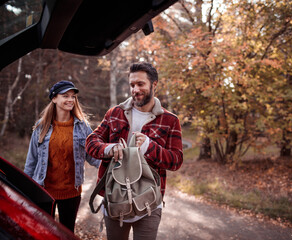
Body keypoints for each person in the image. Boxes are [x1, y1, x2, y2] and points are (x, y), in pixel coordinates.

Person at [85, 62, 183, 240]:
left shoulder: (170, 120)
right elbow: (91, 142)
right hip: (115, 200)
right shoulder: (114, 113)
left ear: (154, 85)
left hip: (150, 204)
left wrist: (149, 147)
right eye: (132, 85)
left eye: (140, 84)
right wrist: (108, 148)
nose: (135, 89)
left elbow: (176, 161)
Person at [24, 80, 100, 232]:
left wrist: (113, 163)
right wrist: (26, 189)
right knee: (43, 232)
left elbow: (93, 157)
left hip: (71, 192)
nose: (70, 100)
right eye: (65, 96)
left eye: (73, 97)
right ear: (54, 98)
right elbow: (31, 161)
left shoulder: (82, 127)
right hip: (44, 190)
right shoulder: (41, 126)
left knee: (67, 232)